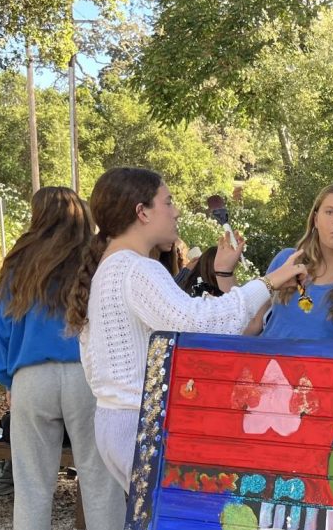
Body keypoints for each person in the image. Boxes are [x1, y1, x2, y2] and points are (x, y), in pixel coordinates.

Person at [66, 167, 306, 488]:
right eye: (168, 202)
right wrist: (271, 281)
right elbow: (201, 323)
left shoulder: (111, 267)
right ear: (142, 213)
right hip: (138, 424)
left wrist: (224, 274)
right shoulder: (137, 270)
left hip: (118, 421)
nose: (176, 211)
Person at [0, 186, 128, 530]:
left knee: (32, 478)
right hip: (87, 374)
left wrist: (6, 378)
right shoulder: (98, 259)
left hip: (31, 377)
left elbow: (3, 329)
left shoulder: (19, 263)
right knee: (99, 474)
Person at [257, 183, 333, 343]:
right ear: (316, 219)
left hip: (323, 369)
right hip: (268, 366)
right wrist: (225, 272)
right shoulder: (287, 261)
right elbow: (253, 322)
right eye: (329, 212)